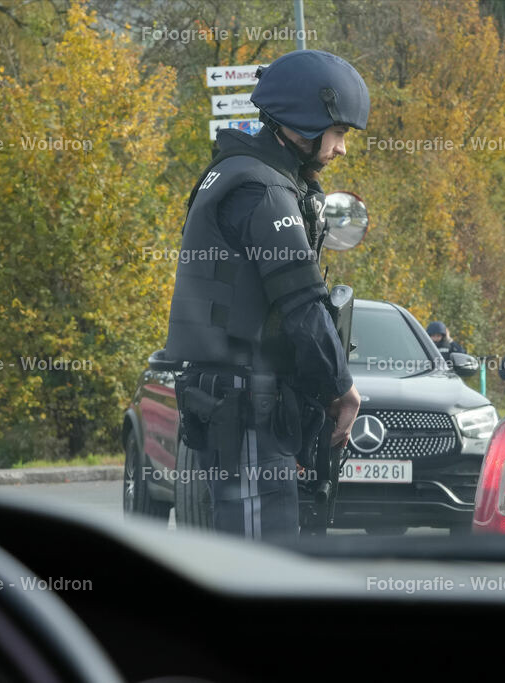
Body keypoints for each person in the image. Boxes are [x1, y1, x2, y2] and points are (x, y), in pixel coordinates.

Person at [163, 50, 369, 541]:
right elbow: (302, 305)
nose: (341, 149)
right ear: (302, 122)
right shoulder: (264, 191)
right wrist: (343, 389)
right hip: (248, 405)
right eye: (338, 133)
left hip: (234, 402)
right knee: (261, 565)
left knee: (247, 556)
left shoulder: (235, 173)